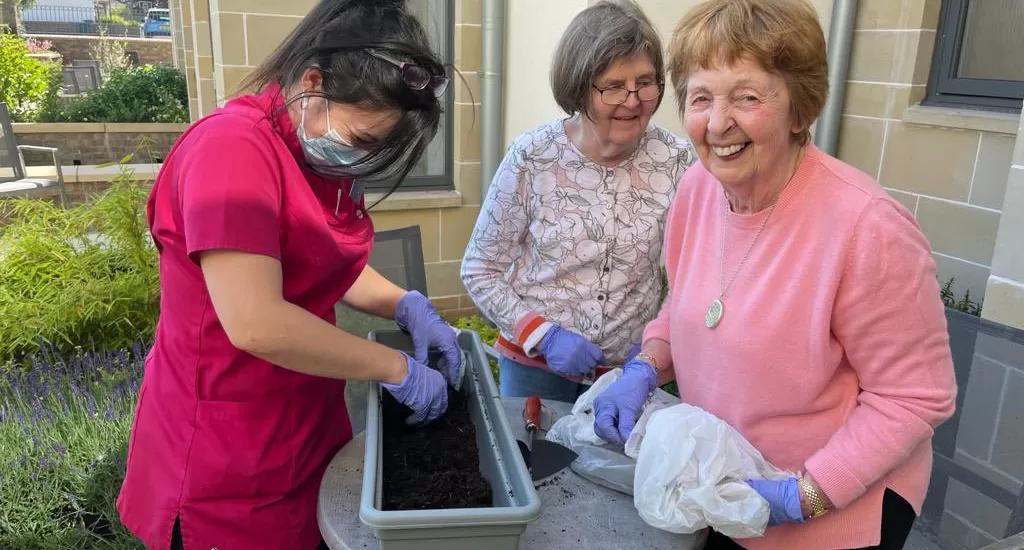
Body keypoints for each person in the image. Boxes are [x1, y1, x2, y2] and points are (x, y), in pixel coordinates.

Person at [592, 1, 958, 549]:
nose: (718, 124)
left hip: (830, 516)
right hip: (724, 485)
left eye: (747, 97)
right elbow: (686, 306)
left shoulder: (866, 227)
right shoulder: (697, 190)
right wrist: (646, 365)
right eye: (701, 98)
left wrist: (805, 494)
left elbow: (914, 396)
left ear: (798, 108)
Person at [115, 2, 463, 549]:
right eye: (363, 141)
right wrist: (396, 367)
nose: (361, 160)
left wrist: (405, 304)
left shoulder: (314, 151)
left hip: (303, 423)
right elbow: (257, 323)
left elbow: (321, 262)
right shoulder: (231, 151)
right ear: (313, 83)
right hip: (225, 454)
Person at [460, 0, 697, 403]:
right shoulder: (532, 157)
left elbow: (689, 278)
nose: (633, 99)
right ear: (577, 85)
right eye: (613, 86)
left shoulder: (678, 162)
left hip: (625, 378)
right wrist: (542, 333)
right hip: (534, 369)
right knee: (531, 463)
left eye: (645, 81)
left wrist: (652, 358)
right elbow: (480, 269)